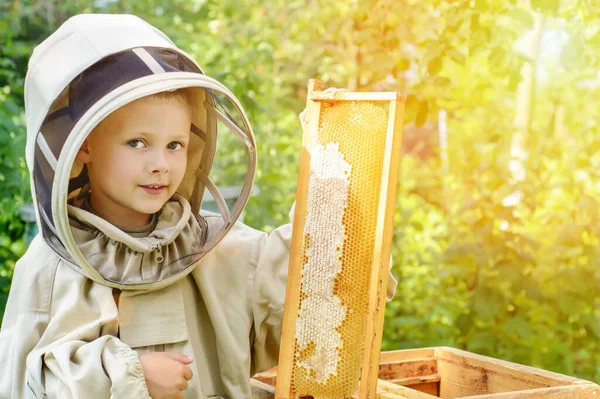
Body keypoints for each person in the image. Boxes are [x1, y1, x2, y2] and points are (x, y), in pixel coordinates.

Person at [0, 13, 397, 399]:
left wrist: (336, 180)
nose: (160, 163)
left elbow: (308, 292)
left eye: (175, 144)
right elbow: (23, 382)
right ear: (83, 145)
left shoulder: (219, 247)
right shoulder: (49, 268)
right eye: (137, 142)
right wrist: (127, 376)